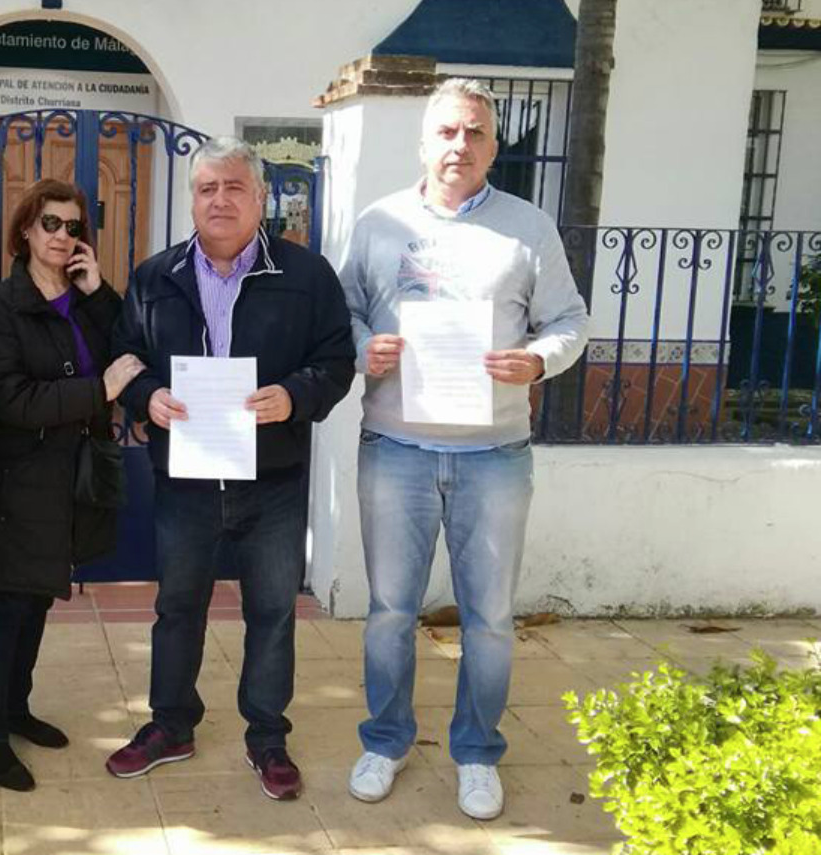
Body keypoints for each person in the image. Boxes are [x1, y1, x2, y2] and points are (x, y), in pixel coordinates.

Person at [338, 78, 589, 819]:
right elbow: (344, 309)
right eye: (447, 131)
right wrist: (363, 346)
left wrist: (536, 360)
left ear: (493, 145)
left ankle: (477, 753)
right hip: (395, 448)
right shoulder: (381, 223)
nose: (460, 145)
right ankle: (386, 740)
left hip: (495, 457)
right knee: (390, 610)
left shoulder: (528, 227)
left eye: (475, 132)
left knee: (490, 618)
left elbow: (570, 321)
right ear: (424, 142)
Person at [106, 137, 355, 801]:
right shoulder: (155, 277)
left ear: (260, 197)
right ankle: (171, 724)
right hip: (185, 481)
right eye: (207, 188)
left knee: (271, 610)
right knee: (176, 607)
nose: (219, 199)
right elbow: (125, 358)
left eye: (234, 186)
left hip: (272, 482)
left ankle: (267, 735)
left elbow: (336, 361)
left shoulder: (307, 275)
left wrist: (295, 395)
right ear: (193, 199)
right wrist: (146, 397)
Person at [0, 179, 144, 791]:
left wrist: (100, 293)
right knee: (11, 604)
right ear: (25, 230)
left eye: (73, 227)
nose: (62, 236)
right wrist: (99, 391)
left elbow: (128, 348)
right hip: (23, 480)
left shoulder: (82, 300)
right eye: (50, 224)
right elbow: (13, 401)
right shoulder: (2, 306)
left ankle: (16, 709)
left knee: (40, 597)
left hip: (72, 475)